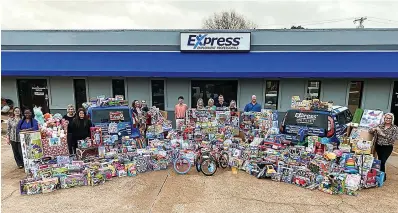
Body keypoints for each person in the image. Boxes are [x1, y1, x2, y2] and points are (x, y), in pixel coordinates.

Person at [369, 113, 398, 181]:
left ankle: (382, 177)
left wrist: (382, 134)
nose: (388, 119)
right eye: (386, 118)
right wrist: (373, 129)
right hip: (378, 146)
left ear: (392, 119)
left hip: (387, 147)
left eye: (389, 118)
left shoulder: (394, 128)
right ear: (384, 118)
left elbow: (393, 138)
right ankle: (379, 175)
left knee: (383, 161)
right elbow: (370, 131)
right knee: (379, 160)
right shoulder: (380, 125)